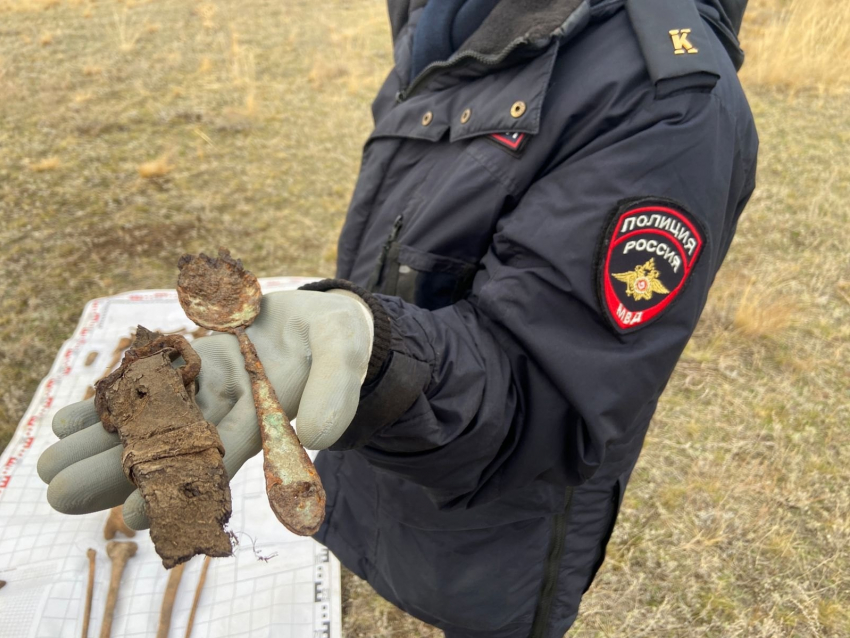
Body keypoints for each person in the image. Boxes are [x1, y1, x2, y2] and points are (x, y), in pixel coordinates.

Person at [37, 0, 757, 636]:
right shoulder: (442, 15)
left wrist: (377, 352)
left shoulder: (669, 96)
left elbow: (547, 396)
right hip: (376, 463)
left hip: (492, 534)